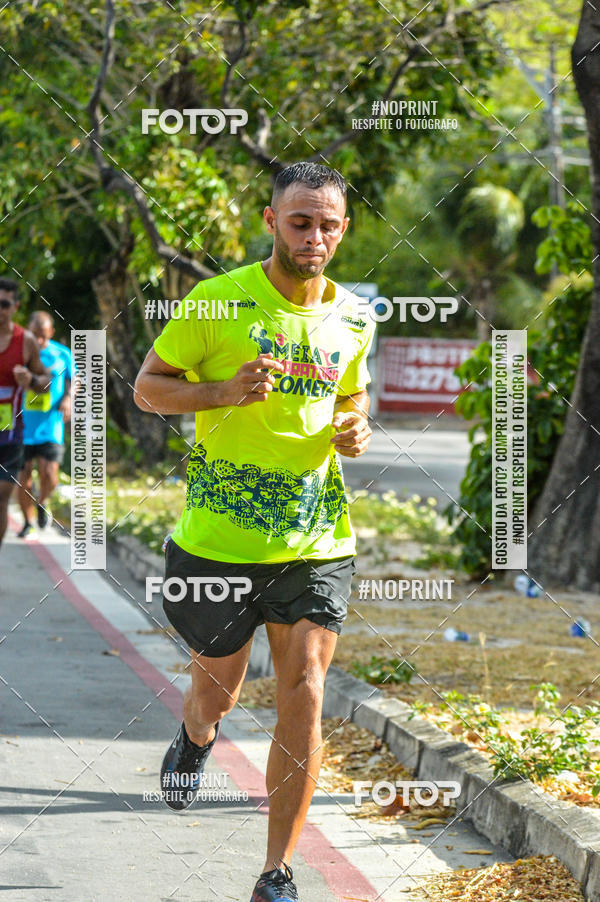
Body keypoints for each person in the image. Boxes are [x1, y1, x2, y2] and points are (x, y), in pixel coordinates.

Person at [134, 162, 374, 902]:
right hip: (216, 545)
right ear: (270, 221)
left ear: (343, 227)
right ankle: (197, 737)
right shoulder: (215, 302)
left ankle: (276, 873)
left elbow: (353, 393)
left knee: (304, 685)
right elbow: (149, 388)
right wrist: (222, 391)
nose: (315, 237)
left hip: (315, 539)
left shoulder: (356, 316)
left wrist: (356, 426)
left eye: (329, 223)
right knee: (221, 694)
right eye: (300, 222)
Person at [0, 279, 50, 550]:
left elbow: (47, 382)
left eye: (4, 304)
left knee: (2, 497)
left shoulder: (25, 341)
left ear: (15, 306)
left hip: (10, 433)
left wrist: (30, 379)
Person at [17, 311, 74, 536]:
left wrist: (69, 399)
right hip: (20, 427)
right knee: (23, 478)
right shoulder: (18, 353)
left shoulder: (62, 354)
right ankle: (28, 521)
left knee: (50, 475)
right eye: (34, 335)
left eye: (43, 335)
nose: (39, 340)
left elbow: (73, 379)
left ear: (51, 332)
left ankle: (42, 503)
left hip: (51, 425)